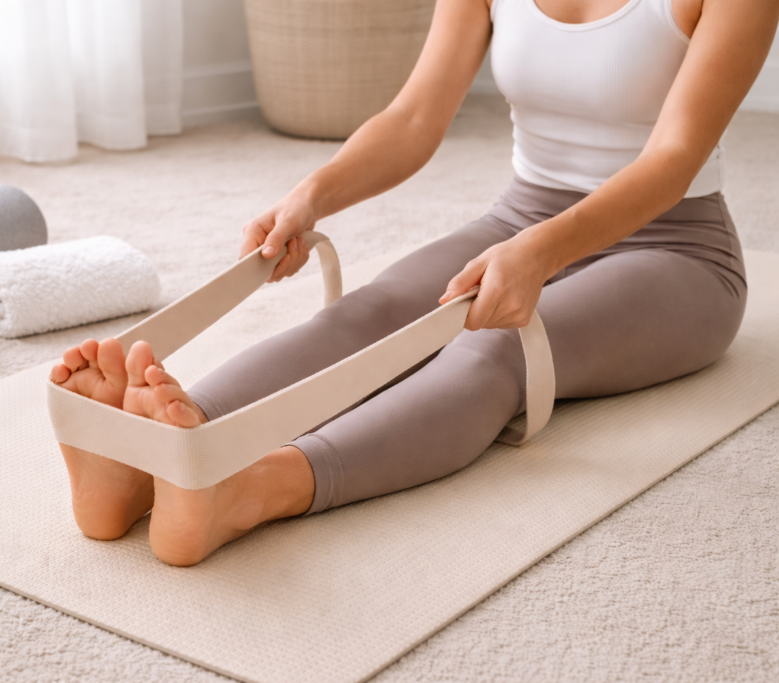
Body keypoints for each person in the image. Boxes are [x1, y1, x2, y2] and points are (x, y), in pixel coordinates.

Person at [51, 0, 779, 566]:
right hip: (520, 218)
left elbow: (676, 157)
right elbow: (414, 115)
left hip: (675, 247)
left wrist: (541, 254)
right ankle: (156, 460)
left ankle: (246, 491)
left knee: (494, 352)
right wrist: (314, 195)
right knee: (372, 310)